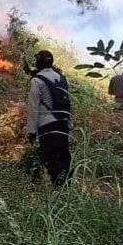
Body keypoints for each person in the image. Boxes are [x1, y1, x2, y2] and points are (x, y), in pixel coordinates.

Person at [24, 50, 73, 187]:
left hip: (47, 126)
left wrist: (31, 131)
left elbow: (33, 108)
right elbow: (68, 102)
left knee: (50, 159)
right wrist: (69, 124)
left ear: (38, 62)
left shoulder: (37, 81)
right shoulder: (62, 78)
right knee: (63, 159)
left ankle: (54, 191)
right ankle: (65, 190)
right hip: (63, 125)